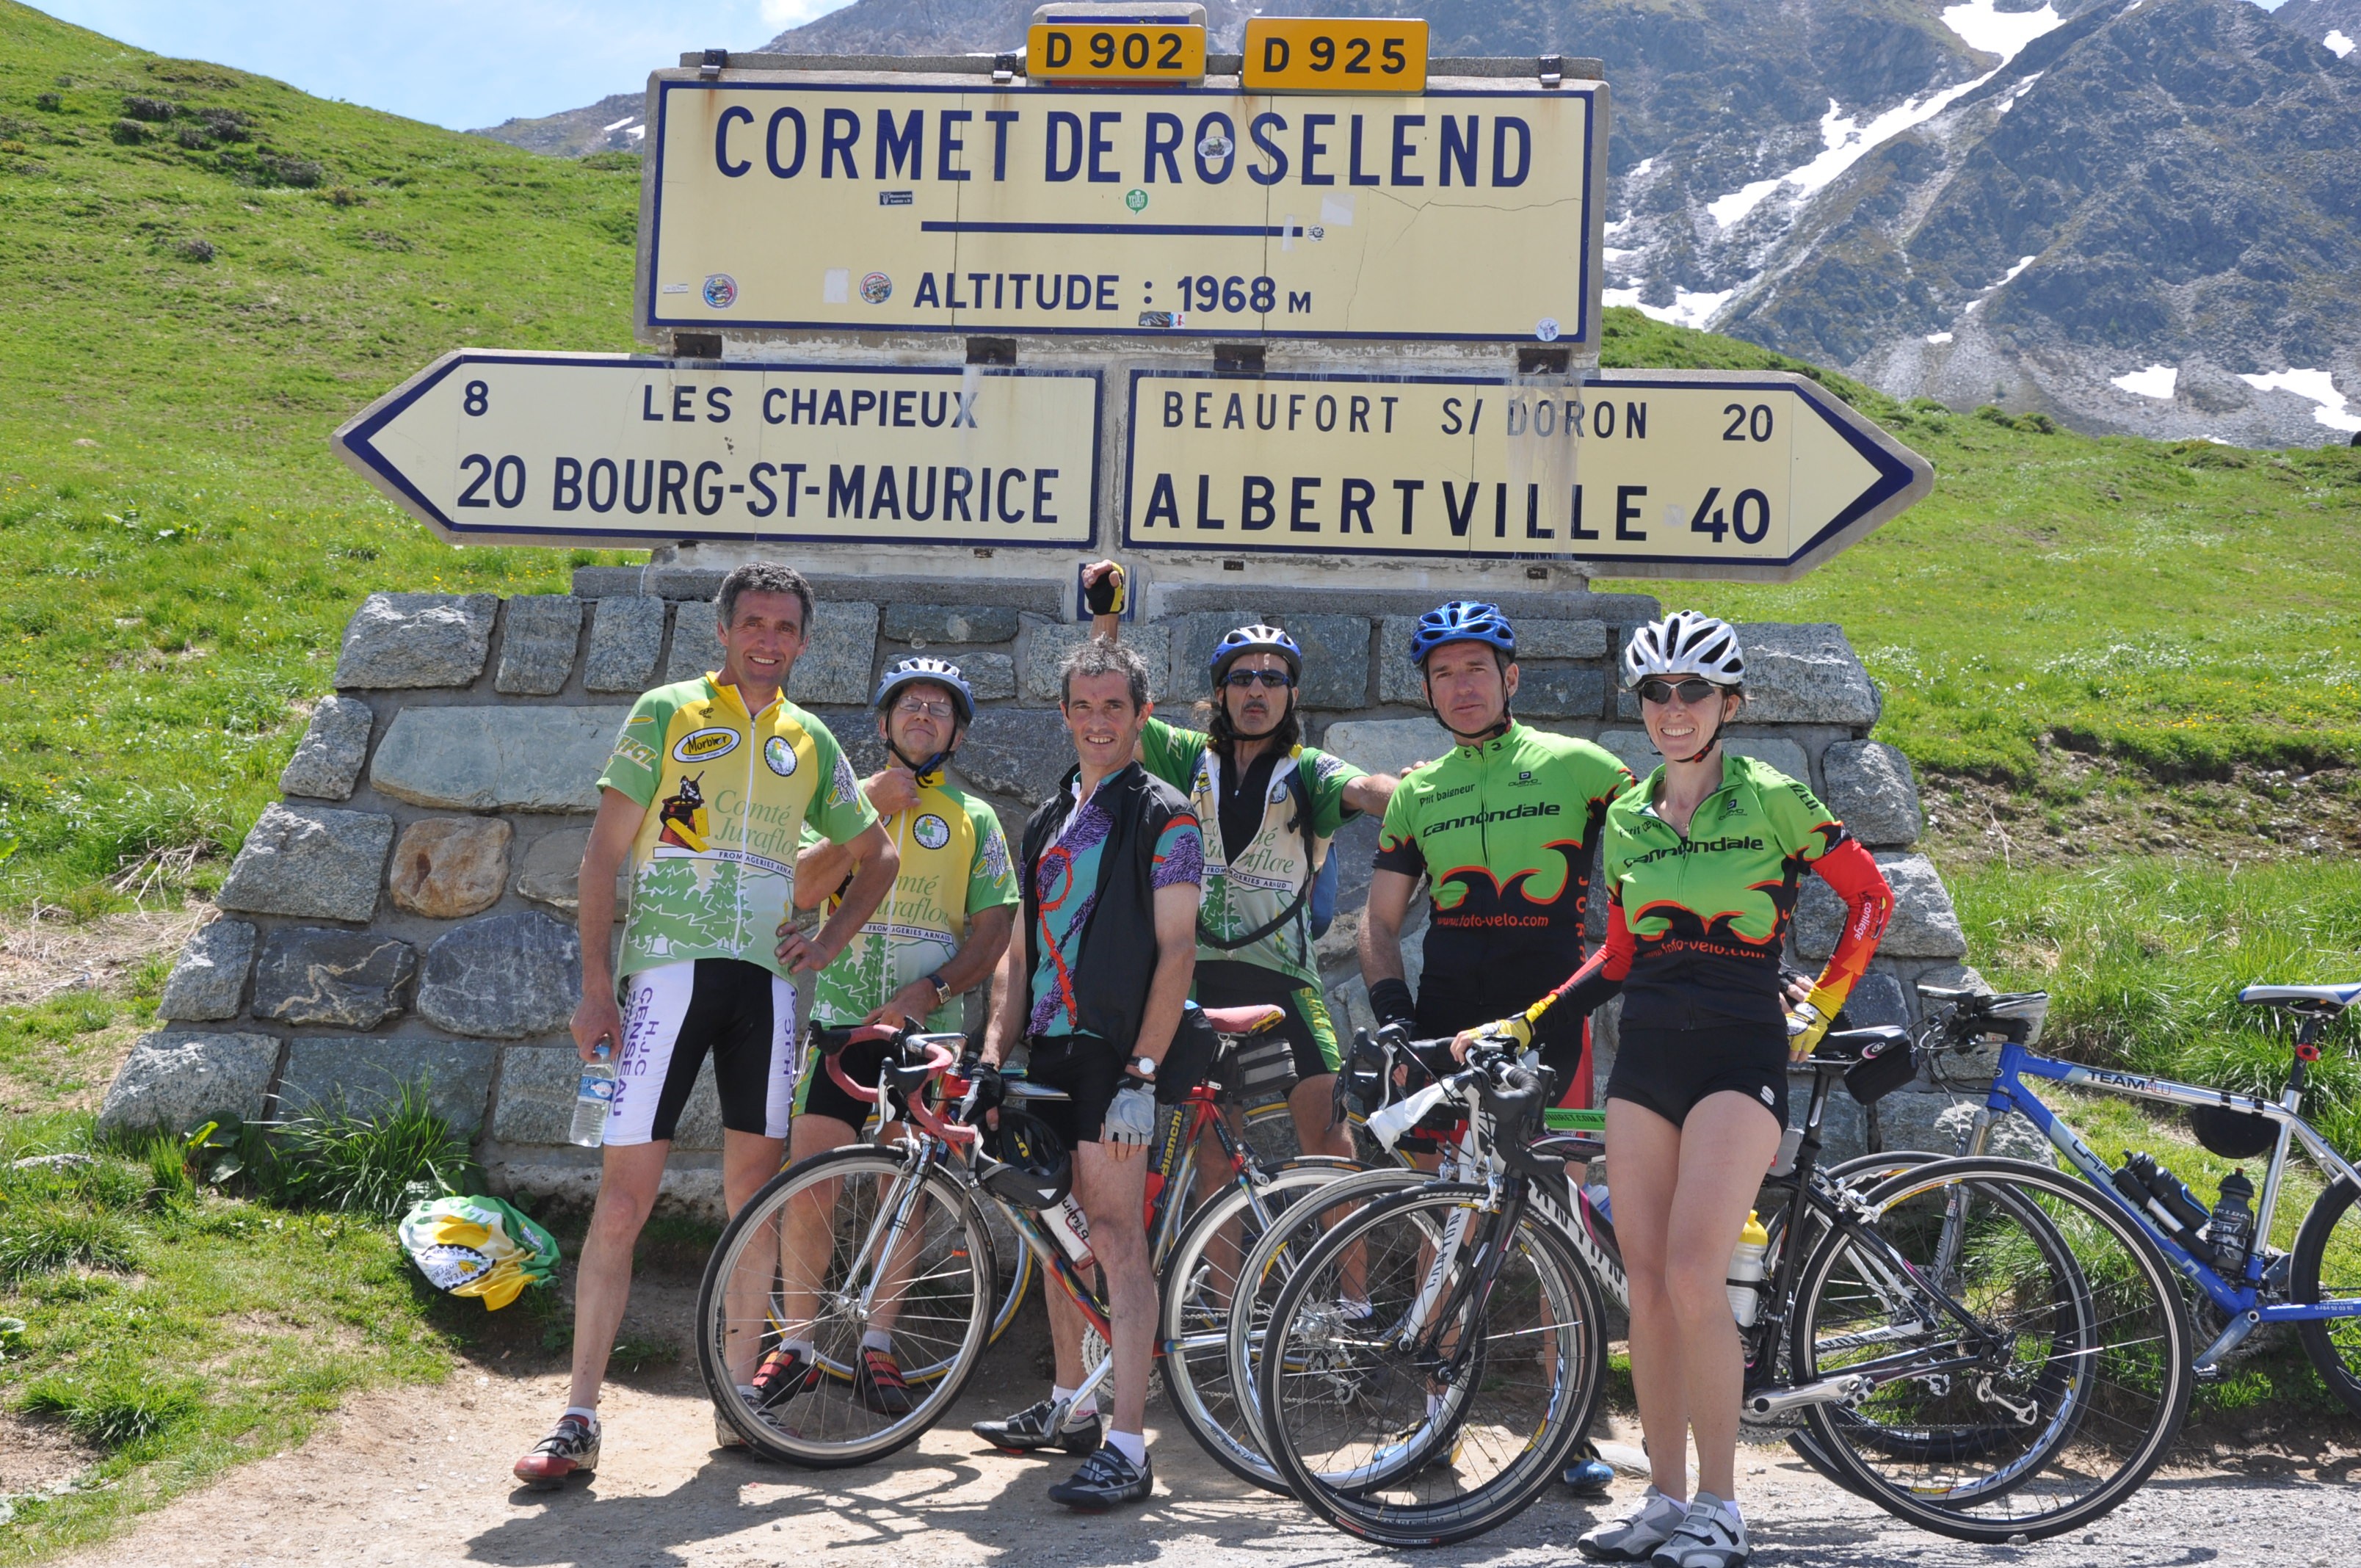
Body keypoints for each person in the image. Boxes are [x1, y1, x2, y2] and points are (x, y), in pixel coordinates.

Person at [1485, 611, 1892, 1568]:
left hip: (1740, 1056)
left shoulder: (1772, 798)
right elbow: (1620, 956)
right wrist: (1528, 1019)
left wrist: (1822, 1008)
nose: (1673, 709)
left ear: (1729, 705)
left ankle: (1723, 1506)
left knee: (1693, 1273)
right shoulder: (1625, 818)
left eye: (1693, 692)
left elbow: (1872, 895)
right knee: (1650, 1293)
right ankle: (1666, 1500)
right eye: (1657, 693)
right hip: (1649, 1055)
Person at [514, 562, 899, 1489]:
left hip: (764, 992)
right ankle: (578, 1415)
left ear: (804, 642)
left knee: (752, 1202)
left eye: (785, 628)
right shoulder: (667, 711)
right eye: (754, 623)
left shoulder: (807, 738)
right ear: (724, 630)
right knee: (621, 1204)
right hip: (664, 984)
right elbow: (604, 858)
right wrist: (595, 986)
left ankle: (737, 1400)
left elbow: (875, 856)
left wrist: (832, 937)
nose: (769, 640)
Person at [1357, 599, 1634, 1495]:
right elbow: (1380, 918)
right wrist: (1396, 1014)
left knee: (1562, 1211)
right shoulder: (1419, 790)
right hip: (1451, 1027)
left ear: (1512, 678)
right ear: (1429, 689)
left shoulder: (1584, 767)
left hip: (1554, 1022)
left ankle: (1574, 1424)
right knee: (1452, 1214)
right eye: (1444, 673)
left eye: (1477, 669)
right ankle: (1437, 1417)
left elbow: (1657, 861)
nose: (1462, 686)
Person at [749, 656, 1019, 1422]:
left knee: (907, 1187)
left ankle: (878, 1344)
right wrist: (865, 802)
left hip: (921, 1031)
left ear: (958, 732)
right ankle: (796, 1344)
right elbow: (800, 889)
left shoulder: (977, 819)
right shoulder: (838, 804)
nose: (924, 717)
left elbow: (995, 927)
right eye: (911, 706)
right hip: (840, 1025)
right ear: (883, 724)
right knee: (811, 1177)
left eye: (940, 708)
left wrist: (929, 992)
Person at [971, 634, 1203, 1509]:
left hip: (1116, 1050)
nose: (1098, 720)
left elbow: (1178, 950)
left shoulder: (1167, 812)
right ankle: (1072, 1403)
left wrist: (1143, 1071)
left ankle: (1131, 1443)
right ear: (1063, 714)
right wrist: (995, 1051)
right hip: (1049, 1048)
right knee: (1055, 1232)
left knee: (1114, 1239)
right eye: (1083, 706)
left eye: (1116, 706)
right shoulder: (1048, 815)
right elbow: (1021, 949)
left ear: (1142, 715)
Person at [1081, 561, 1396, 1184]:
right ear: (1221, 692)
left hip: (1284, 979)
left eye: (1274, 680)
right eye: (1243, 679)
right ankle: (1220, 1288)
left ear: (1292, 696)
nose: (1259, 691)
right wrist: (1106, 616)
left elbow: (1366, 788)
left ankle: (1352, 1289)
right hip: (1193, 977)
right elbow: (1110, 712)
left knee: (1329, 1141)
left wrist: (1413, 792)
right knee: (1215, 1153)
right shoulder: (1184, 756)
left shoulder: (1308, 770)